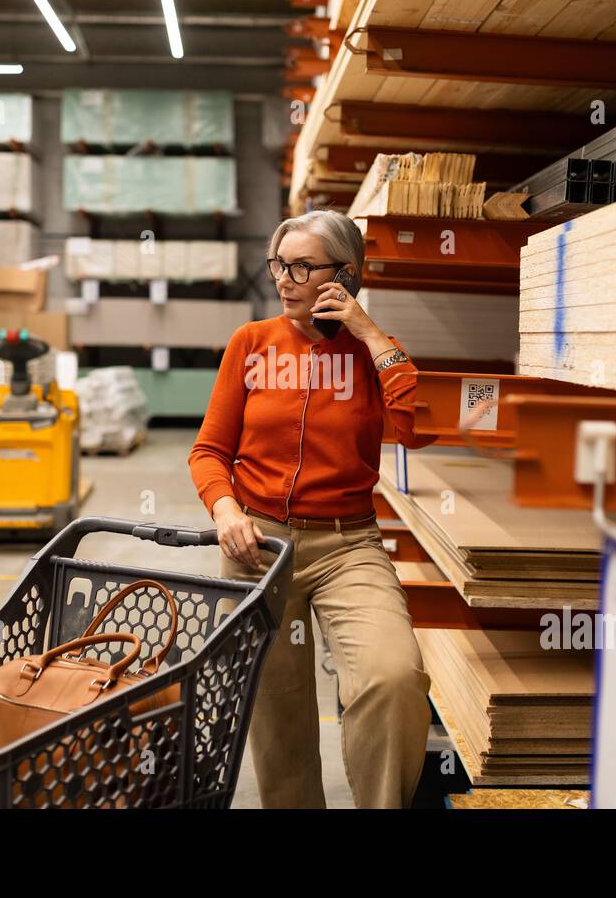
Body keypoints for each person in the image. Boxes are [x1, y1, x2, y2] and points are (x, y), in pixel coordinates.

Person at [187, 210, 436, 809]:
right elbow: (209, 451)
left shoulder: (376, 354)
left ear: (345, 276)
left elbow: (414, 428)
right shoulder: (250, 344)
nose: (284, 278)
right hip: (257, 550)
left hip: (348, 545)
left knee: (393, 676)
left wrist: (369, 333)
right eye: (278, 264)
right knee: (276, 713)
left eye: (302, 266)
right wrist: (224, 510)